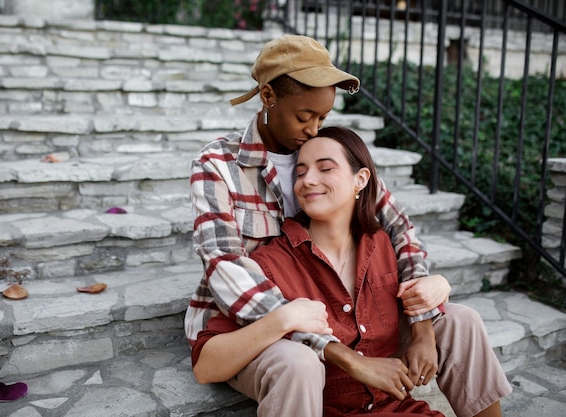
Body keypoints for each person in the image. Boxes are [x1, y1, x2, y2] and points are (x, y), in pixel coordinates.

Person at [185, 34, 511, 417]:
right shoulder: (219, 165)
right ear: (269, 98)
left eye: (323, 118)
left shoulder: (331, 154)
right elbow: (225, 265)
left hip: (343, 309)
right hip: (252, 322)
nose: (313, 129)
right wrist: (332, 347)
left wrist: (423, 321)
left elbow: (399, 229)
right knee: (297, 361)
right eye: (305, 116)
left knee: (459, 320)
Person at [193, 126, 447, 416]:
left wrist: (432, 304)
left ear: (361, 180)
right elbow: (207, 363)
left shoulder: (384, 245)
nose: (308, 180)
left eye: (325, 169)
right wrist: (283, 319)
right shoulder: (271, 263)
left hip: (398, 409)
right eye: (299, 173)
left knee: (462, 321)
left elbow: (413, 260)